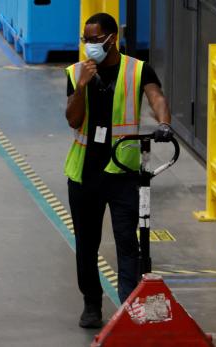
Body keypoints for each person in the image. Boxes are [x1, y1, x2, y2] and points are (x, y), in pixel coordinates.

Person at [64, 13, 173, 328]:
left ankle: (128, 306)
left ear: (113, 38)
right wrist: (81, 88)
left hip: (124, 172)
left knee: (128, 241)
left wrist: (164, 123)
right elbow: (72, 119)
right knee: (86, 244)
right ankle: (91, 305)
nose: (90, 46)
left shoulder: (138, 69)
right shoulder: (75, 73)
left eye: (95, 39)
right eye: (86, 39)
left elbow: (157, 98)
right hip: (84, 173)